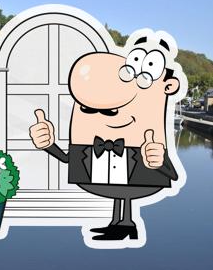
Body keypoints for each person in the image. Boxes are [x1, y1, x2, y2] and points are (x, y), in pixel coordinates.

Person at [30, 31, 182, 242]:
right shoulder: (88, 145)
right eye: (88, 109)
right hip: (102, 176)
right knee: (120, 193)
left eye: (110, 110)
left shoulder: (148, 141)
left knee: (126, 192)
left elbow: (172, 174)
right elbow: (68, 158)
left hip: (138, 172)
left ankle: (126, 223)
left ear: (169, 86)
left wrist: (158, 161)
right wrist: (47, 144)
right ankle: (119, 223)